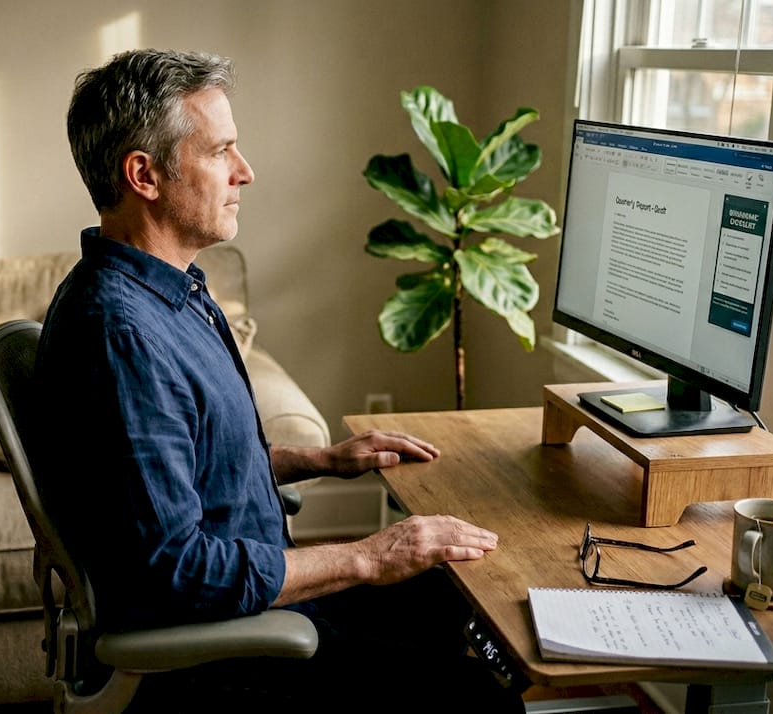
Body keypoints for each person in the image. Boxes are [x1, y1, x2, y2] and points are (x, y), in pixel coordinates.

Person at [36, 48, 523, 711]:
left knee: (460, 589)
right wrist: (364, 555)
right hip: (224, 650)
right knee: (480, 694)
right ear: (144, 175)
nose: (246, 172)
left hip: (250, 602)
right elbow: (175, 570)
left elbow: (180, 470)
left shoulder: (168, 293)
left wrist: (316, 460)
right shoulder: (123, 336)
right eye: (221, 152)